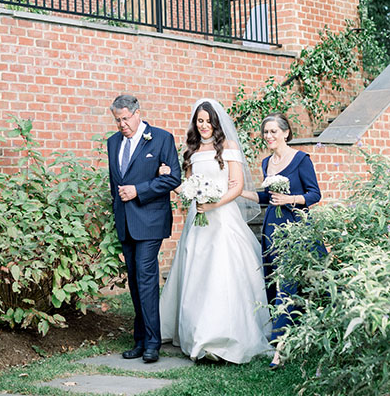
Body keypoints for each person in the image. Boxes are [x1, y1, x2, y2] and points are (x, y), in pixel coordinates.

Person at [158, 98, 271, 364]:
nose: (204, 125)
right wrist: (169, 179)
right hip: (199, 224)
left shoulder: (229, 146)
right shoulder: (193, 150)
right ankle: (197, 333)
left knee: (222, 275)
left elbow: (236, 185)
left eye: (208, 121)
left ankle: (221, 336)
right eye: (200, 121)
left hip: (223, 220)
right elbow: (188, 188)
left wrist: (212, 204)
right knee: (197, 275)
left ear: (216, 123)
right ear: (195, 123)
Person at [241, 112, 322, 368]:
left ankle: (280, 351)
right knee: (275, 286)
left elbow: (314, 194)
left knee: (288, 286)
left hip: (296, 229)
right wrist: (239, 192)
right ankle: (291, 338)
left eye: (274, 131)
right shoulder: (266, 163)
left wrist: (290, 200)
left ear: (286, 133)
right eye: (266, 132)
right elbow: (267, 197)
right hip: (272, 229)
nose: (269, 136)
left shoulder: (301, 159)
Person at [108, 94, 181, 363]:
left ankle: (153, 342)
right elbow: (113, 182)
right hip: (126, 222)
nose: (121, 124)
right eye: (117, 120)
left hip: (150, 221)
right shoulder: (113, 142)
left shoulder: (161, 138)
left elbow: (173, 177)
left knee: (146, 278)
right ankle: (139, 340)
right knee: (135, 282)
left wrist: (138, 190)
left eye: (125, 118)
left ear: (138, 113)